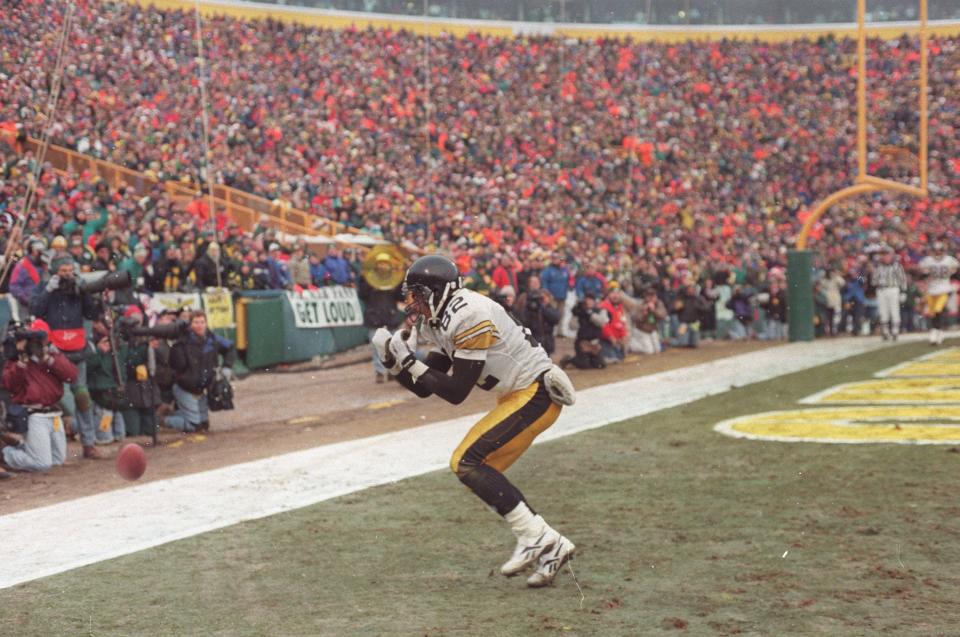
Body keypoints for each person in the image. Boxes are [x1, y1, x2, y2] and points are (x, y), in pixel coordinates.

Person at [373, 255, 576, 588]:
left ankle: (536, 538)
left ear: (439, 292)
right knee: (477, 470)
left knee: (466, 462)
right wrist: (393, 363)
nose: (412, 302)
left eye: (419, 294)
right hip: (518, 396)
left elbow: (455, 392)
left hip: (536, 393)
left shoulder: (468, 314)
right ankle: (551, 545)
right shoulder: (436, 320)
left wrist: (409, 359)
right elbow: (427, 388)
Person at [30, 254, 105, 459]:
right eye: (62, 271)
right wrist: (48, 289)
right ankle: (55, 446)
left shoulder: (78, 288)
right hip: (55, 349)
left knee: (82, 395)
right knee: (53, 396)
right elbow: (35, 310)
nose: (66, 275)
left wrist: (87, 292)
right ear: (55, 272)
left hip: (77, 348)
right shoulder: (47, 286)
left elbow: (91, 313)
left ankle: (88, 443)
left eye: (69, 271)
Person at [1, 320, 78, 473]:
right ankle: (5, 454)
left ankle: (23, 446)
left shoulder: (52, 354)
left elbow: (72, 376)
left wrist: (48, 359)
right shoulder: (17, 359)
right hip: (34, 415)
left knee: (57, 461)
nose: (36, 344)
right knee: (42, 464)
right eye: (33, 340)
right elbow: (9, 384)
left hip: (55, 415)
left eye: (40, 340)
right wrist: (22, 360)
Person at [166, 310, 235, 433]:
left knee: (204, 426)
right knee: (194, 427)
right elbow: (174, 366)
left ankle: (178, 412)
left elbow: (230, 347)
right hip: (184, 388)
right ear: (190, 324)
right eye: (196, 322)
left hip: (201, 389)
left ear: (206, 323)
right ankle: (165, 420)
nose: (199, 325)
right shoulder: (183, 341)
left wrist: (227, 367)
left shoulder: (212, 338)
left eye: (202, 322)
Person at [358, 252, 404, 383]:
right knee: (376, 346)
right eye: (381, 264)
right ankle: (379, 371)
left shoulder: (393, 279)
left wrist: (398, 283)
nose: (383, 266)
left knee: (393, 345)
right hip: (374, 316)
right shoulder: (368, 278)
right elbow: (362, 294)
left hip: (390, 316)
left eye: (385, 264)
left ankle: (392, 371)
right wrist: (366, 281)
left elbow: (400, 296)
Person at [919, 242, 958, 346]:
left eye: (940, 250)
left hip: (944, 289)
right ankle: (936, 331)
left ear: (943, 251)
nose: (938, 253)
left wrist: (953, 275)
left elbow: (956, 271)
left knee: (938, 310)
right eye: (936, 250)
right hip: (931, 290)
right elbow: (922, 274)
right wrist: (926, 275)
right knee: (932, 313)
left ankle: (937, 331)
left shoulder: (949, 260)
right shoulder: (928, 261)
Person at [515, 276, 560, 355]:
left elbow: (555, 318)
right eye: (533, 282)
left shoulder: (545, 295)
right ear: (528, 284)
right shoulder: (524, 297)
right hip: (531, 337)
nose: (535, 284)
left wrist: (542, 308)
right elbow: (520, 316)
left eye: (537, 282)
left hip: (546, 339)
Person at [871, 246, 908, 341]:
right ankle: (885, 331)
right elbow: (872, 280)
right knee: (883, 312)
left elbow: (902, 279)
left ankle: (895, 331)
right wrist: (864, 279)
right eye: (883, 254)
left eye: (887, 254)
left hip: (893, 289)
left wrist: (903, 291)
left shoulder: (896, 266)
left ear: (891, 255)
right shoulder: (878, 266)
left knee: (894, 310)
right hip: (881, 290)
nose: (885, 257)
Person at [561, 294, 608, 370]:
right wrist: (577, 313)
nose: (589, 302)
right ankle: (569, 360)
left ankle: (592, 359)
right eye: (587, 300)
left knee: (600, 365)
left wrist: (589, 314)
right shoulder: (580, 312)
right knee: (584, 365)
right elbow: (572, 326)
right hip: (582, 342)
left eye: (591, 300)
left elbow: (602, 323)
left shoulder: (600, 310)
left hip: (595, 343)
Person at [628, 286, 667, 354]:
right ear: (645, 297)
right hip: (641, 331)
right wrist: (644, 313)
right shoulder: (640, 305)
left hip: (653, 331)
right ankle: (631, 345)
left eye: (653, 296)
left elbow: (663, 316)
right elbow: (635, 319)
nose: (651, 298)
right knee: (649, 351)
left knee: (657, 350)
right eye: (649, 296)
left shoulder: (658, 303)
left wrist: (653, 310)